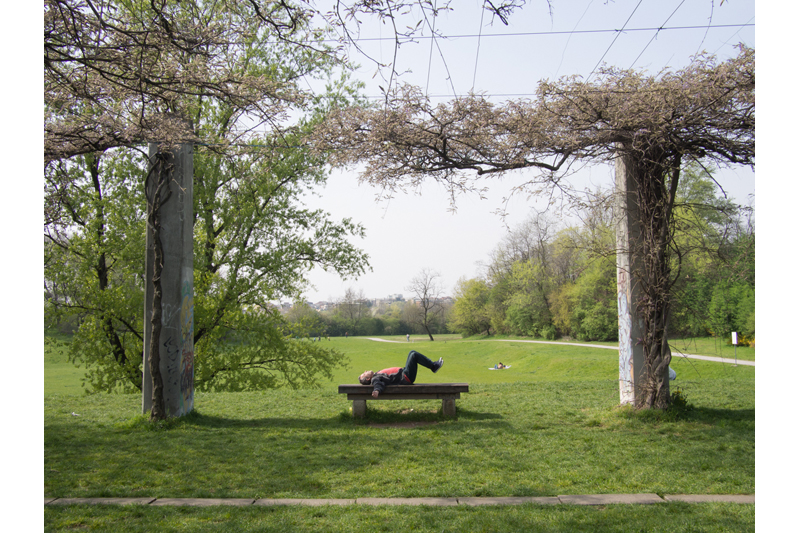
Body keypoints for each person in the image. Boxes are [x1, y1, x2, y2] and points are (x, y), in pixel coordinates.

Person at [358, 350, 444, 398]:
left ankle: (433, 366)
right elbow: (378, 385)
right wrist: (376, 391)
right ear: (368, 379)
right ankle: (433, 366)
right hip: (405, 377)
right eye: (364, 373)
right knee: (413, 355)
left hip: (404, 373)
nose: (365, 371)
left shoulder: (376, 374)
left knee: (411, 352)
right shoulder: (374, 379)